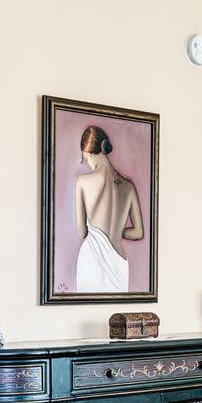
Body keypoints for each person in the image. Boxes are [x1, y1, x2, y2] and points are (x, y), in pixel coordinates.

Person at [73, 124, 141, 293]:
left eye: (86, 159)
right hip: (119, 262)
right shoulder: (129, 187)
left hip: (91, 258)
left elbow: (81, 232)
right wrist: (117, 231)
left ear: (90, 154)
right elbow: (138, 232)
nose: (88, 164)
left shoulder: (82, 182)